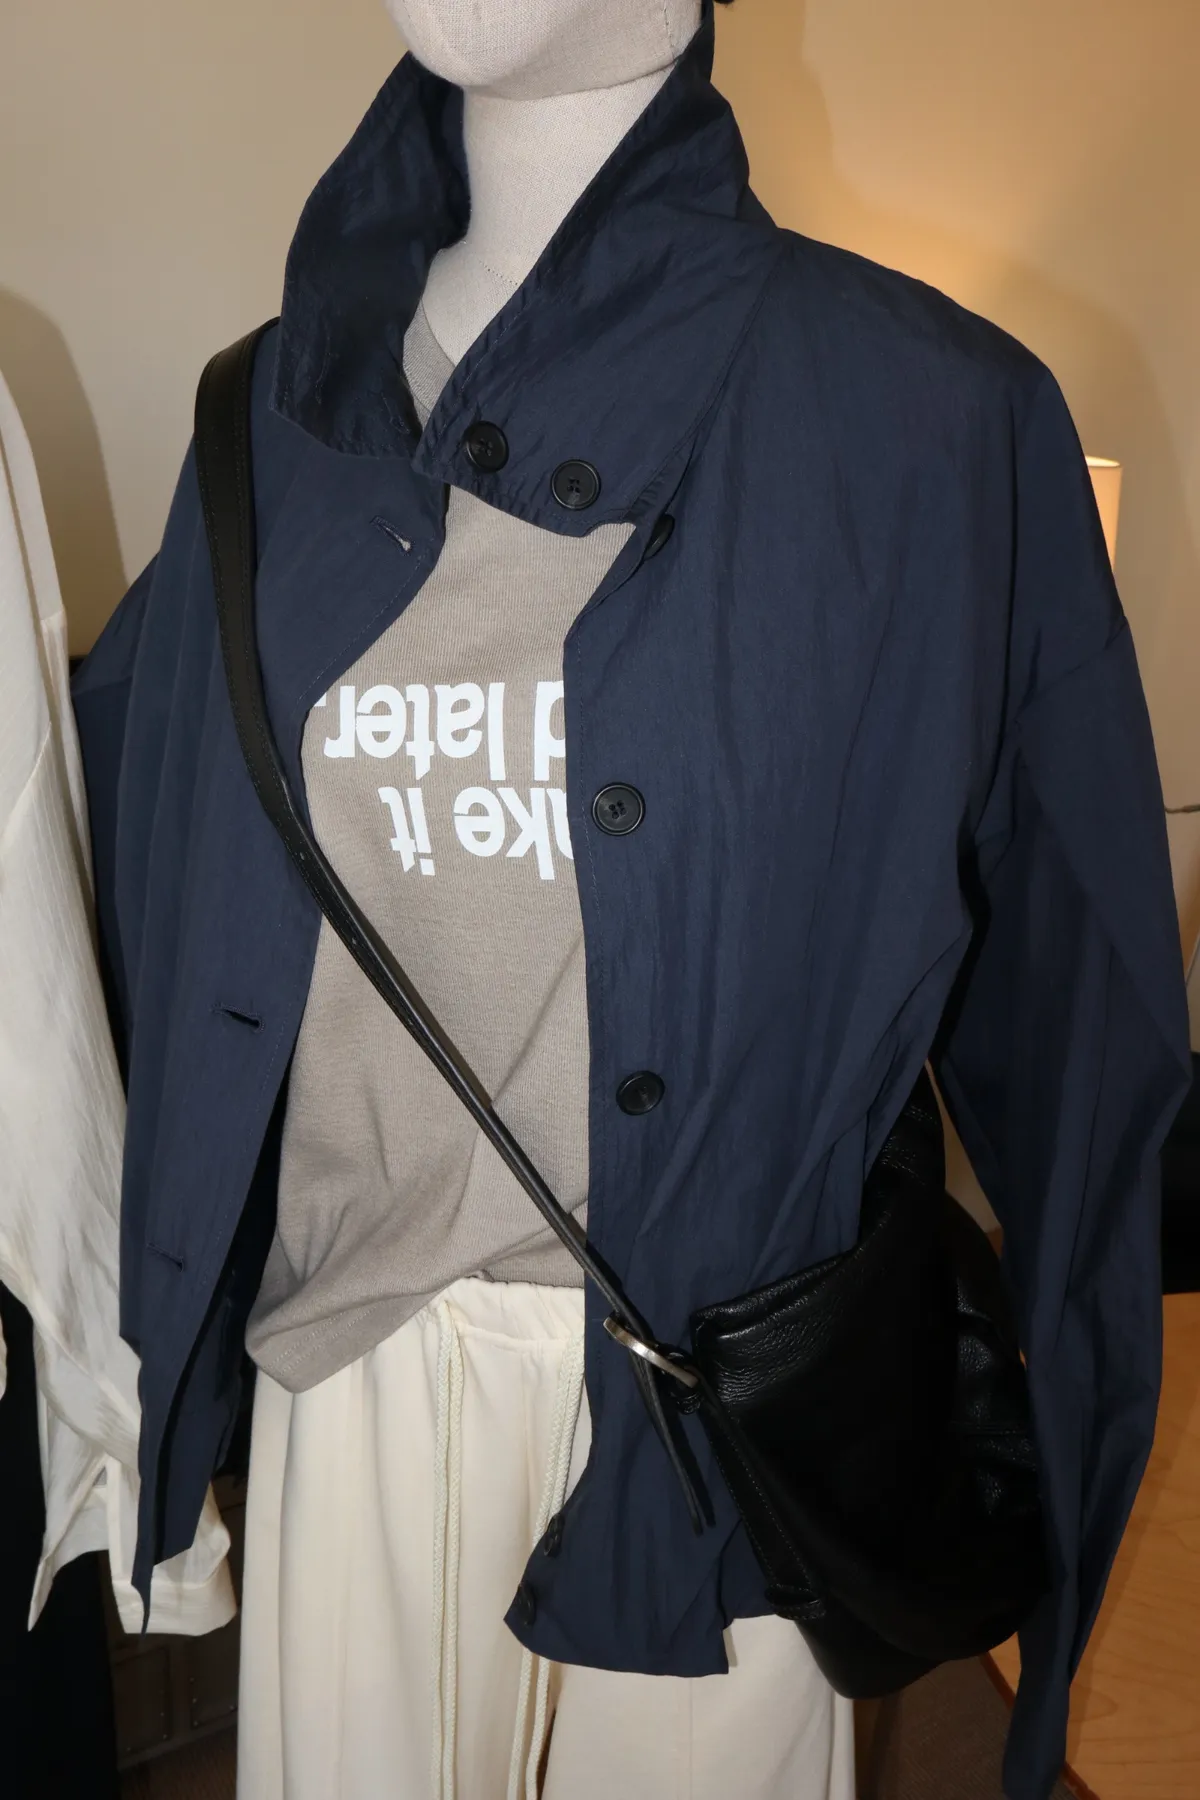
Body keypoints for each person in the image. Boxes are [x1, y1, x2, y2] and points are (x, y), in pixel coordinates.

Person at [72, 2, 1191, 1795]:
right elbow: (132, 925)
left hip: (726, 1420)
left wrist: (1057, 1614)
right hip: (352, 1383)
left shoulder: (935, 421)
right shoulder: (264, 427)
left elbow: (1084, 1051)